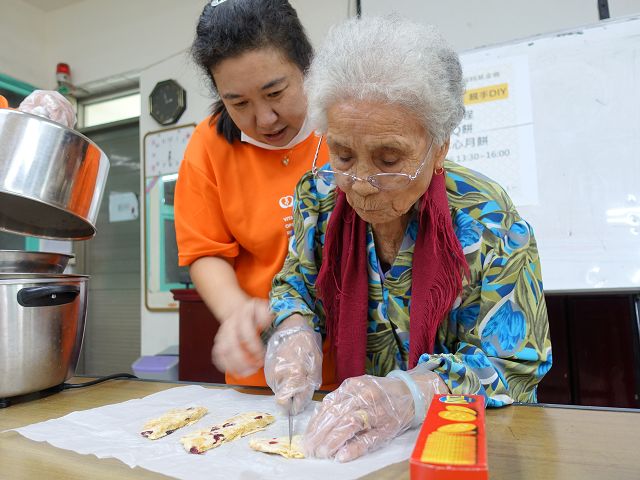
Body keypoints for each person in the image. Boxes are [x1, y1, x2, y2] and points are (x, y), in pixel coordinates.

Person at [263, 16, 552, 461]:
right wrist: (294, 332)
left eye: (389, 158)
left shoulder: (488, 218)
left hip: (474, 445)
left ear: (439, 147)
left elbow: (514, 364)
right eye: (342, 154)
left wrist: (409, 394)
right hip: (359, 446)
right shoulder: (318, 196)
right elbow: (296, 286)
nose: (359, 182)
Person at [174, 0, 332, 388]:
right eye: (238, 103)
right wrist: (239, 313)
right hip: (265, 369)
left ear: (307, 66)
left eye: (275, 93)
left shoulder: (345, 121)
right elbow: (205, 251)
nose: (264, 119)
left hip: (363, 368)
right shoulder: (210, 144)